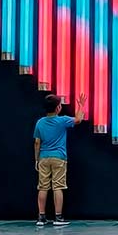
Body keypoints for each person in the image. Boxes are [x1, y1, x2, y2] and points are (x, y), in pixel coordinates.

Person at [34, 93, 86, 227]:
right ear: (58, 108)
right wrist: (80, 105)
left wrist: (37, 159)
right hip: (59, 157)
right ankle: (58, 217)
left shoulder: (39, 122)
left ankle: (41, 217)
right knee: (58, 186)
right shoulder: (62, 120)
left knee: (43, 187)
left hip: (44, 158)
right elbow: (79, 119)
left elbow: (37, 143)